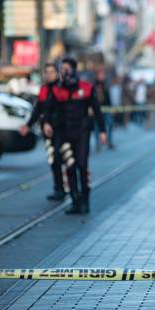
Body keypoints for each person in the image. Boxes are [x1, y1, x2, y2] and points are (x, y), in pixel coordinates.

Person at [43, 57, 108, 215]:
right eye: (62, 69)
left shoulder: (86, 88)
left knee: (82, 165)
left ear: (73, 69)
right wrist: (46, 123)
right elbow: (48, 108)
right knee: (70, 167)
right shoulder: (57, 90)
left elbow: (97, 109)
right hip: (64, 133)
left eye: (67, 68)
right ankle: (74, 200)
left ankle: (85, 200)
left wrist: (102, 131)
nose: (64, 72)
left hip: (81, 133)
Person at [19, 63, 65, 201]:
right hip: (48, 131)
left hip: (63, 130)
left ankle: (68, 187)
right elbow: (38, 109)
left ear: (57, 73)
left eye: (52, 72)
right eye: (47, 72)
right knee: (53, 159)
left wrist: (48, 123)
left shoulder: (62, 88)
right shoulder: (44, 89)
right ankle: (59, 188)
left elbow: (61, 110)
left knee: (63, 159)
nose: (49, 75)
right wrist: (28, 125)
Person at [93, 67, 115, 150]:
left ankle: (109, 142)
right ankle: (98, 144)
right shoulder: (94, 85)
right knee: (97, 127)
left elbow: (108, 97)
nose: (103, 76)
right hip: (97, 109)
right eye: (101, 74)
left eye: (103, 74)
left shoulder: (106, 84)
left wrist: (111, 107)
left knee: (110, 124)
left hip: (106, 108)